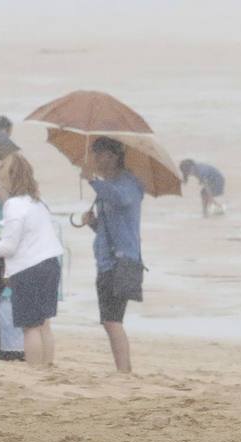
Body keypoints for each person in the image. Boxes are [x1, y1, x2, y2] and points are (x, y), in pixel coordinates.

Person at [0, 154, 62, 367]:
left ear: (10, 178)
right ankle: (47, 366)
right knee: (44, 324)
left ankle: (34, 370)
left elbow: (9, 246)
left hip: (30, 269)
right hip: (50, 264)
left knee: (29, 327)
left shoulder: (13, 205)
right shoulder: (38, 202)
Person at [80, 136, 144, 373]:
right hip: (108, 260)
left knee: (112, 319)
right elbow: (115, 227)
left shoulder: (126, 183)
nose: (94, 160)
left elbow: (123, 199)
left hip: (121, 261)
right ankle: (123, 369)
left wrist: (93, 181)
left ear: (112, 156)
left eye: (98, 155)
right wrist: (93, 223)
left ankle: (124, 371)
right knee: (110, 319)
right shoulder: (110, 186)